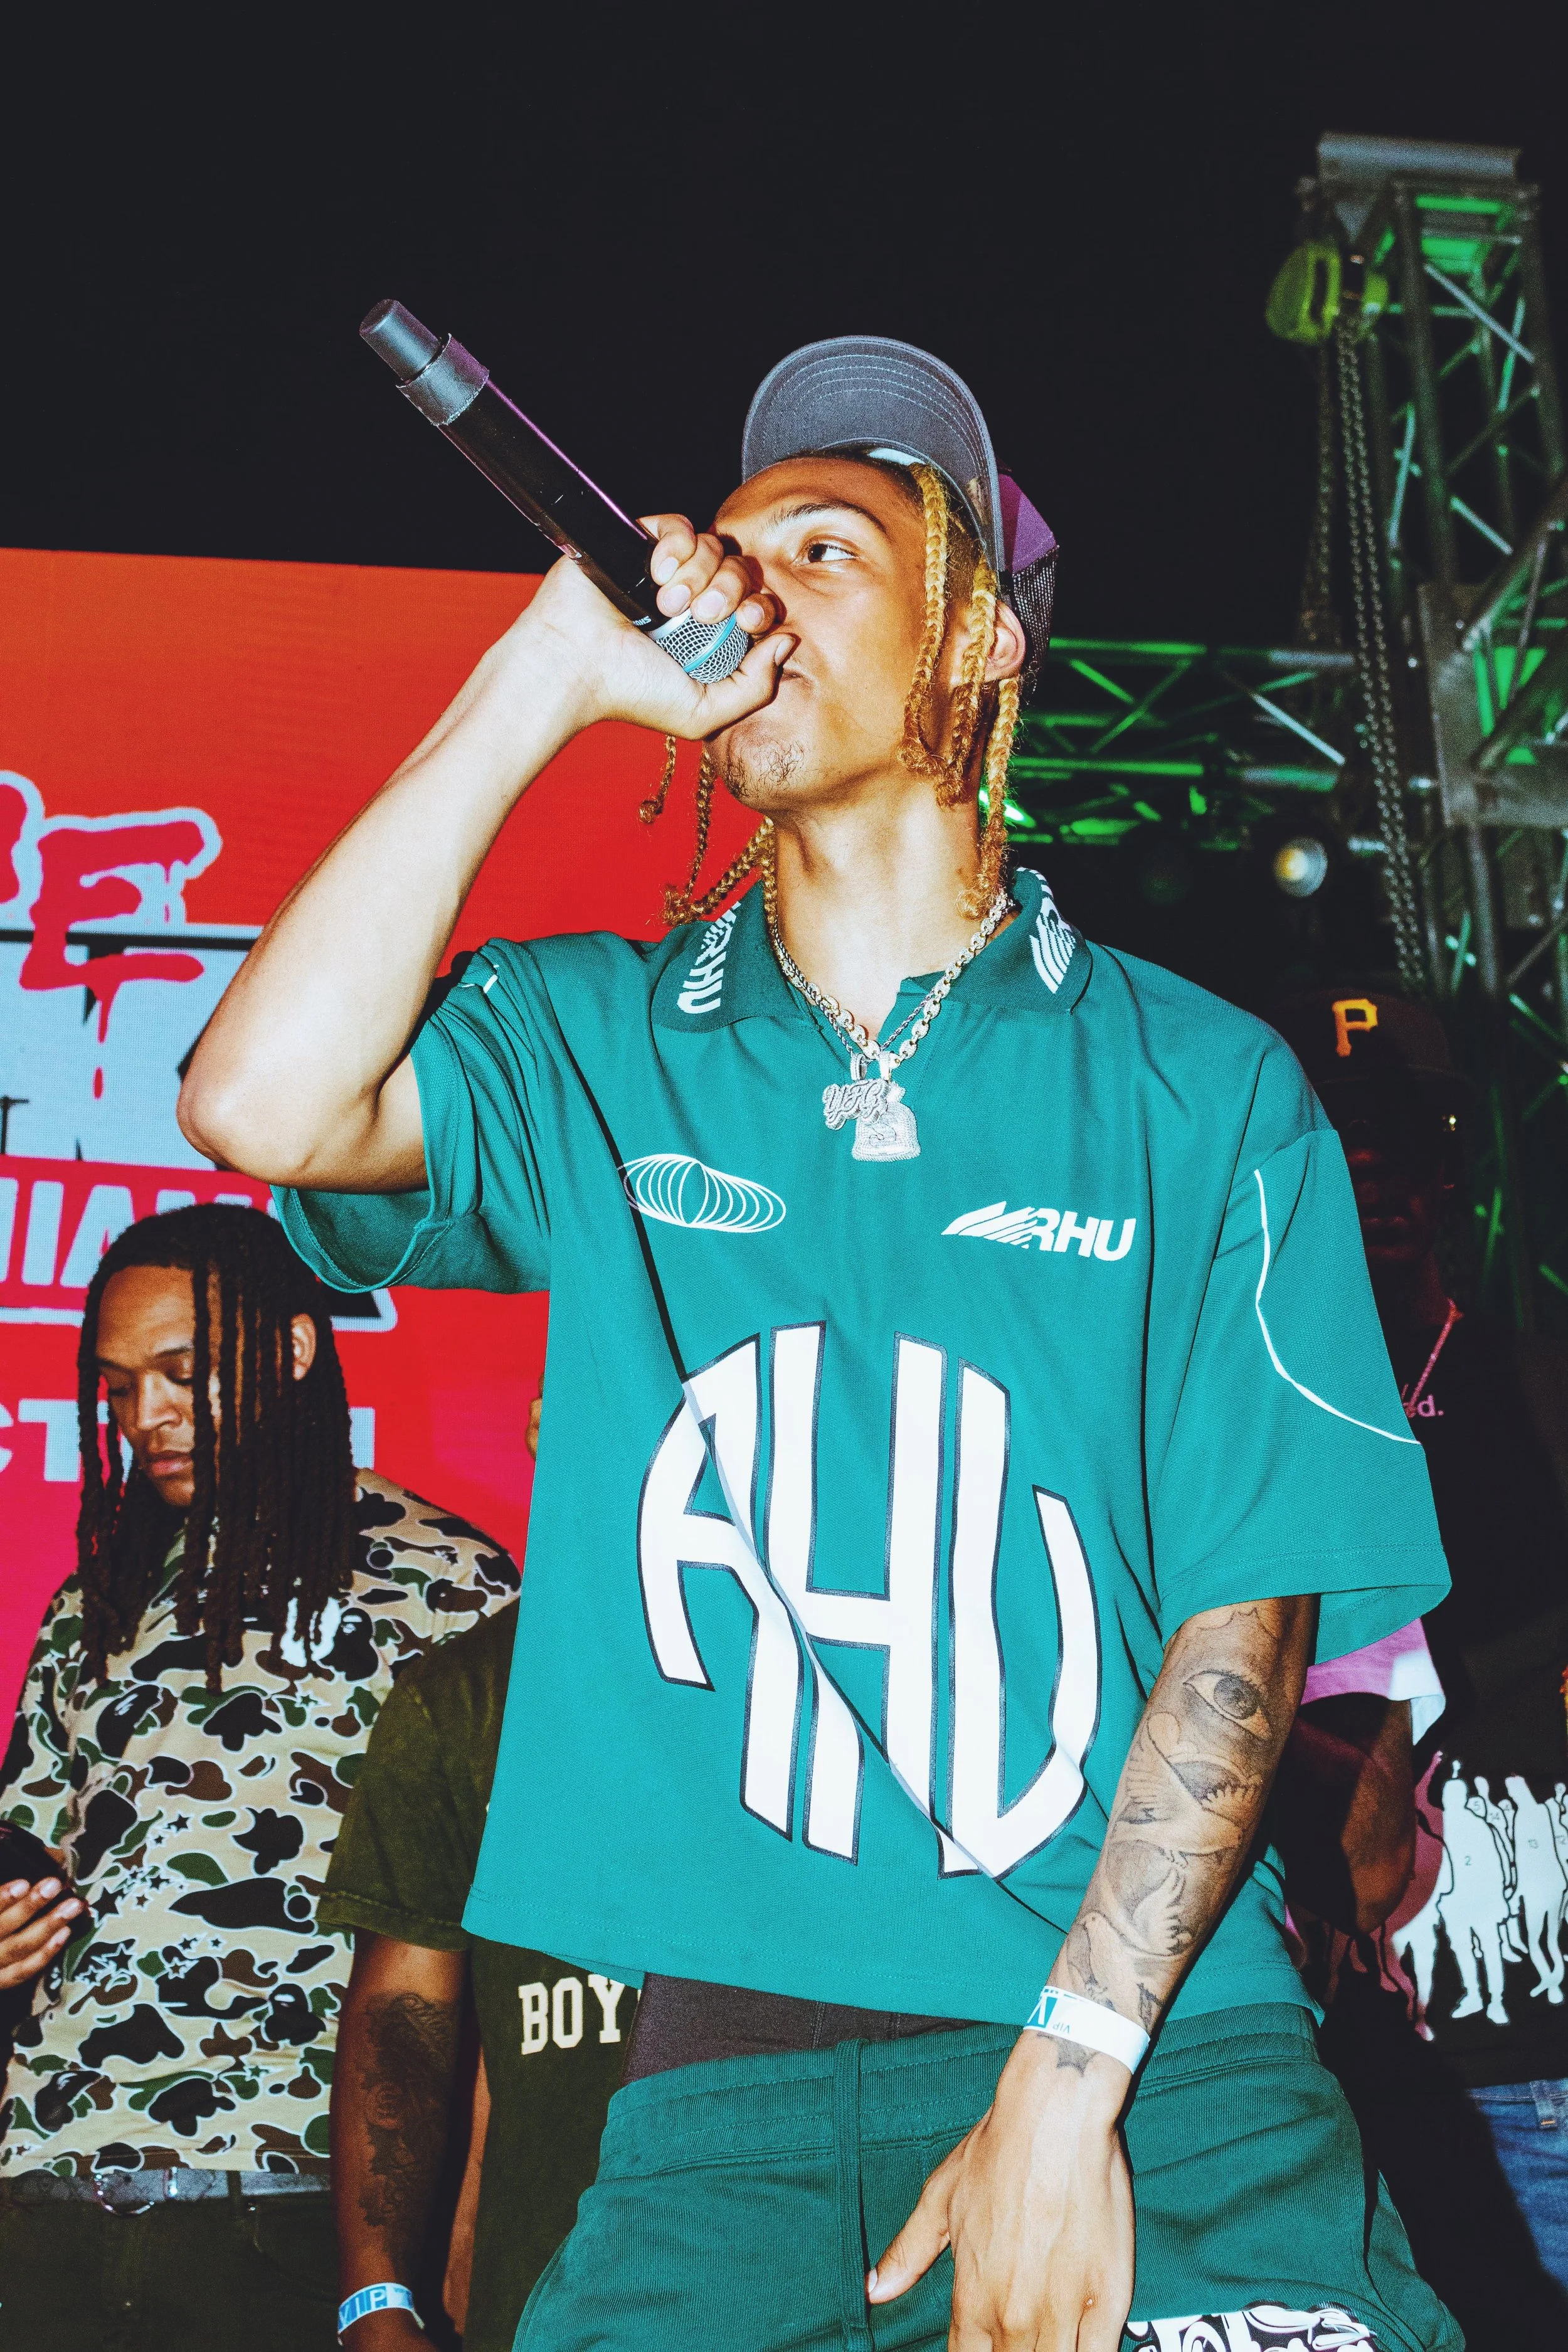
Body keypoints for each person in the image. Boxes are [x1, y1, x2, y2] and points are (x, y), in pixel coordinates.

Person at [181, 336, 1459, 2350]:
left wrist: (1072, 2068)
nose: (751, 585)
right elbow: (258, 1105)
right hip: (721, 2108)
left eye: (829, 545)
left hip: (1154, 2045)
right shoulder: (595, 1038)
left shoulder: (1196, 1084)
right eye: (736, 542)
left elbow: (1243, 1621)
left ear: (981, 641)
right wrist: (542, 671)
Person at [0, 1204, 517, 2352]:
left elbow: (496, 1966)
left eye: (184, 1372)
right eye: (119, 1385)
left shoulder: (449, 1587)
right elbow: (30, 1859)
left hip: (296, 2213)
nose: (147, 1415)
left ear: (290, 1348)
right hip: (47, 2194)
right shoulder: (97, 1602)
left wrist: (436, 2277)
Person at [1272, 988, 1568, 2348]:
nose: (1372, 1175)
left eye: (1402, 1142)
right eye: (1339, 1143)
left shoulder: (1538, 1395)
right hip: (1328, 2068)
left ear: (1453, 1171)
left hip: (1537, 2061)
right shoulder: (1246, 1427)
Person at [323, 1392, 633, 2352]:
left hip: (823, 2284)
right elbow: (404, 2029)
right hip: (557, 2297)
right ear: (545, 1422)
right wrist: (377, 2302)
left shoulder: (850, 1669)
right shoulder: (469, 1696)